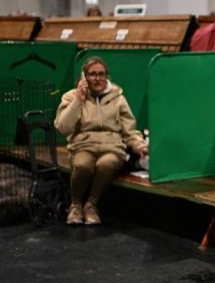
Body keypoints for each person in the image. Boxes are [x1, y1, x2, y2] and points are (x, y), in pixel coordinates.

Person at [55, 57, 148, 225]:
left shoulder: (118, 98)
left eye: (101, 74)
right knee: (83, 165)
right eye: (92, 74)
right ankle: (75, 206)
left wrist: (139, 145)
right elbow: (63, 127)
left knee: (106, 164)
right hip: (83, 145)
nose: (97, 78)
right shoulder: (70, 96)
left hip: (112, 147)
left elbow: (129, 129)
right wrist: (78, 99)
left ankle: (91, 205)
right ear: (84, 77)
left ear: (107, 76)